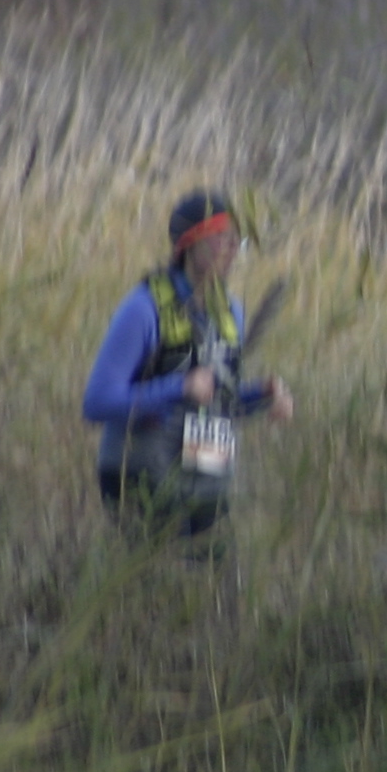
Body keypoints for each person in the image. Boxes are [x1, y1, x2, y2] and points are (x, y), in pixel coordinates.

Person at [81, 188, 295, 550]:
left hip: (204, 484)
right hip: (141, 479)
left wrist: (262, 396)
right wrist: (177, 387)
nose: (231, 252)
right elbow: (97, 402)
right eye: (220, 241)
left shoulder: (232, 314)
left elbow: (214, 404)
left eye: (236, 242)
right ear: (188, 246)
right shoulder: (143, 309)